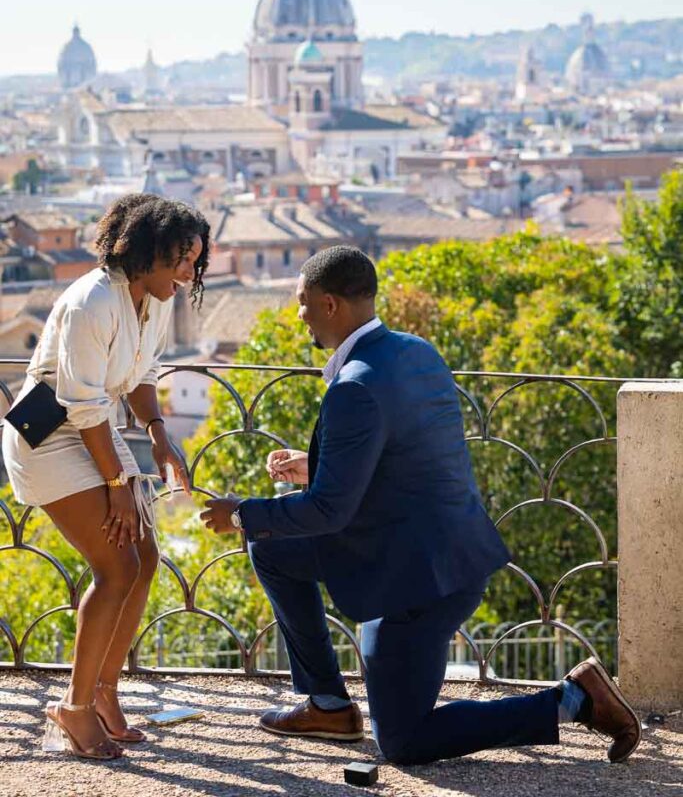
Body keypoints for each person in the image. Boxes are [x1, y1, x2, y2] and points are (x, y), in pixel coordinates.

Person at [201, 245, 641, 767]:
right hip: (429, 545)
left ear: (329, 305)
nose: (299, 316)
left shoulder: (355, 386)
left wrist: (240, 513)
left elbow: (328, 514)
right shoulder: (414, 351)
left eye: (302, 303)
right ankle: (327, 704)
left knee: (405, 742)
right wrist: (316, 468)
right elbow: (406, 457)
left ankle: (575, 700)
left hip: (424, 581)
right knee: (273, 548)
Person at [3, 194, 210, 761]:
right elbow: (83, 407)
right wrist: (119, 486)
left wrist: (161, 435)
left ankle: (104, 694)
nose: (189, 273)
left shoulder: (158, 296)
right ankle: (72, 706)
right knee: (116, 565)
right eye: (180, 260)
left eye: (194, 260)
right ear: (145, 251)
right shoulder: (91, 301)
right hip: (48, 435)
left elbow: (141, 376)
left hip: (91, 425)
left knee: (145, 559)